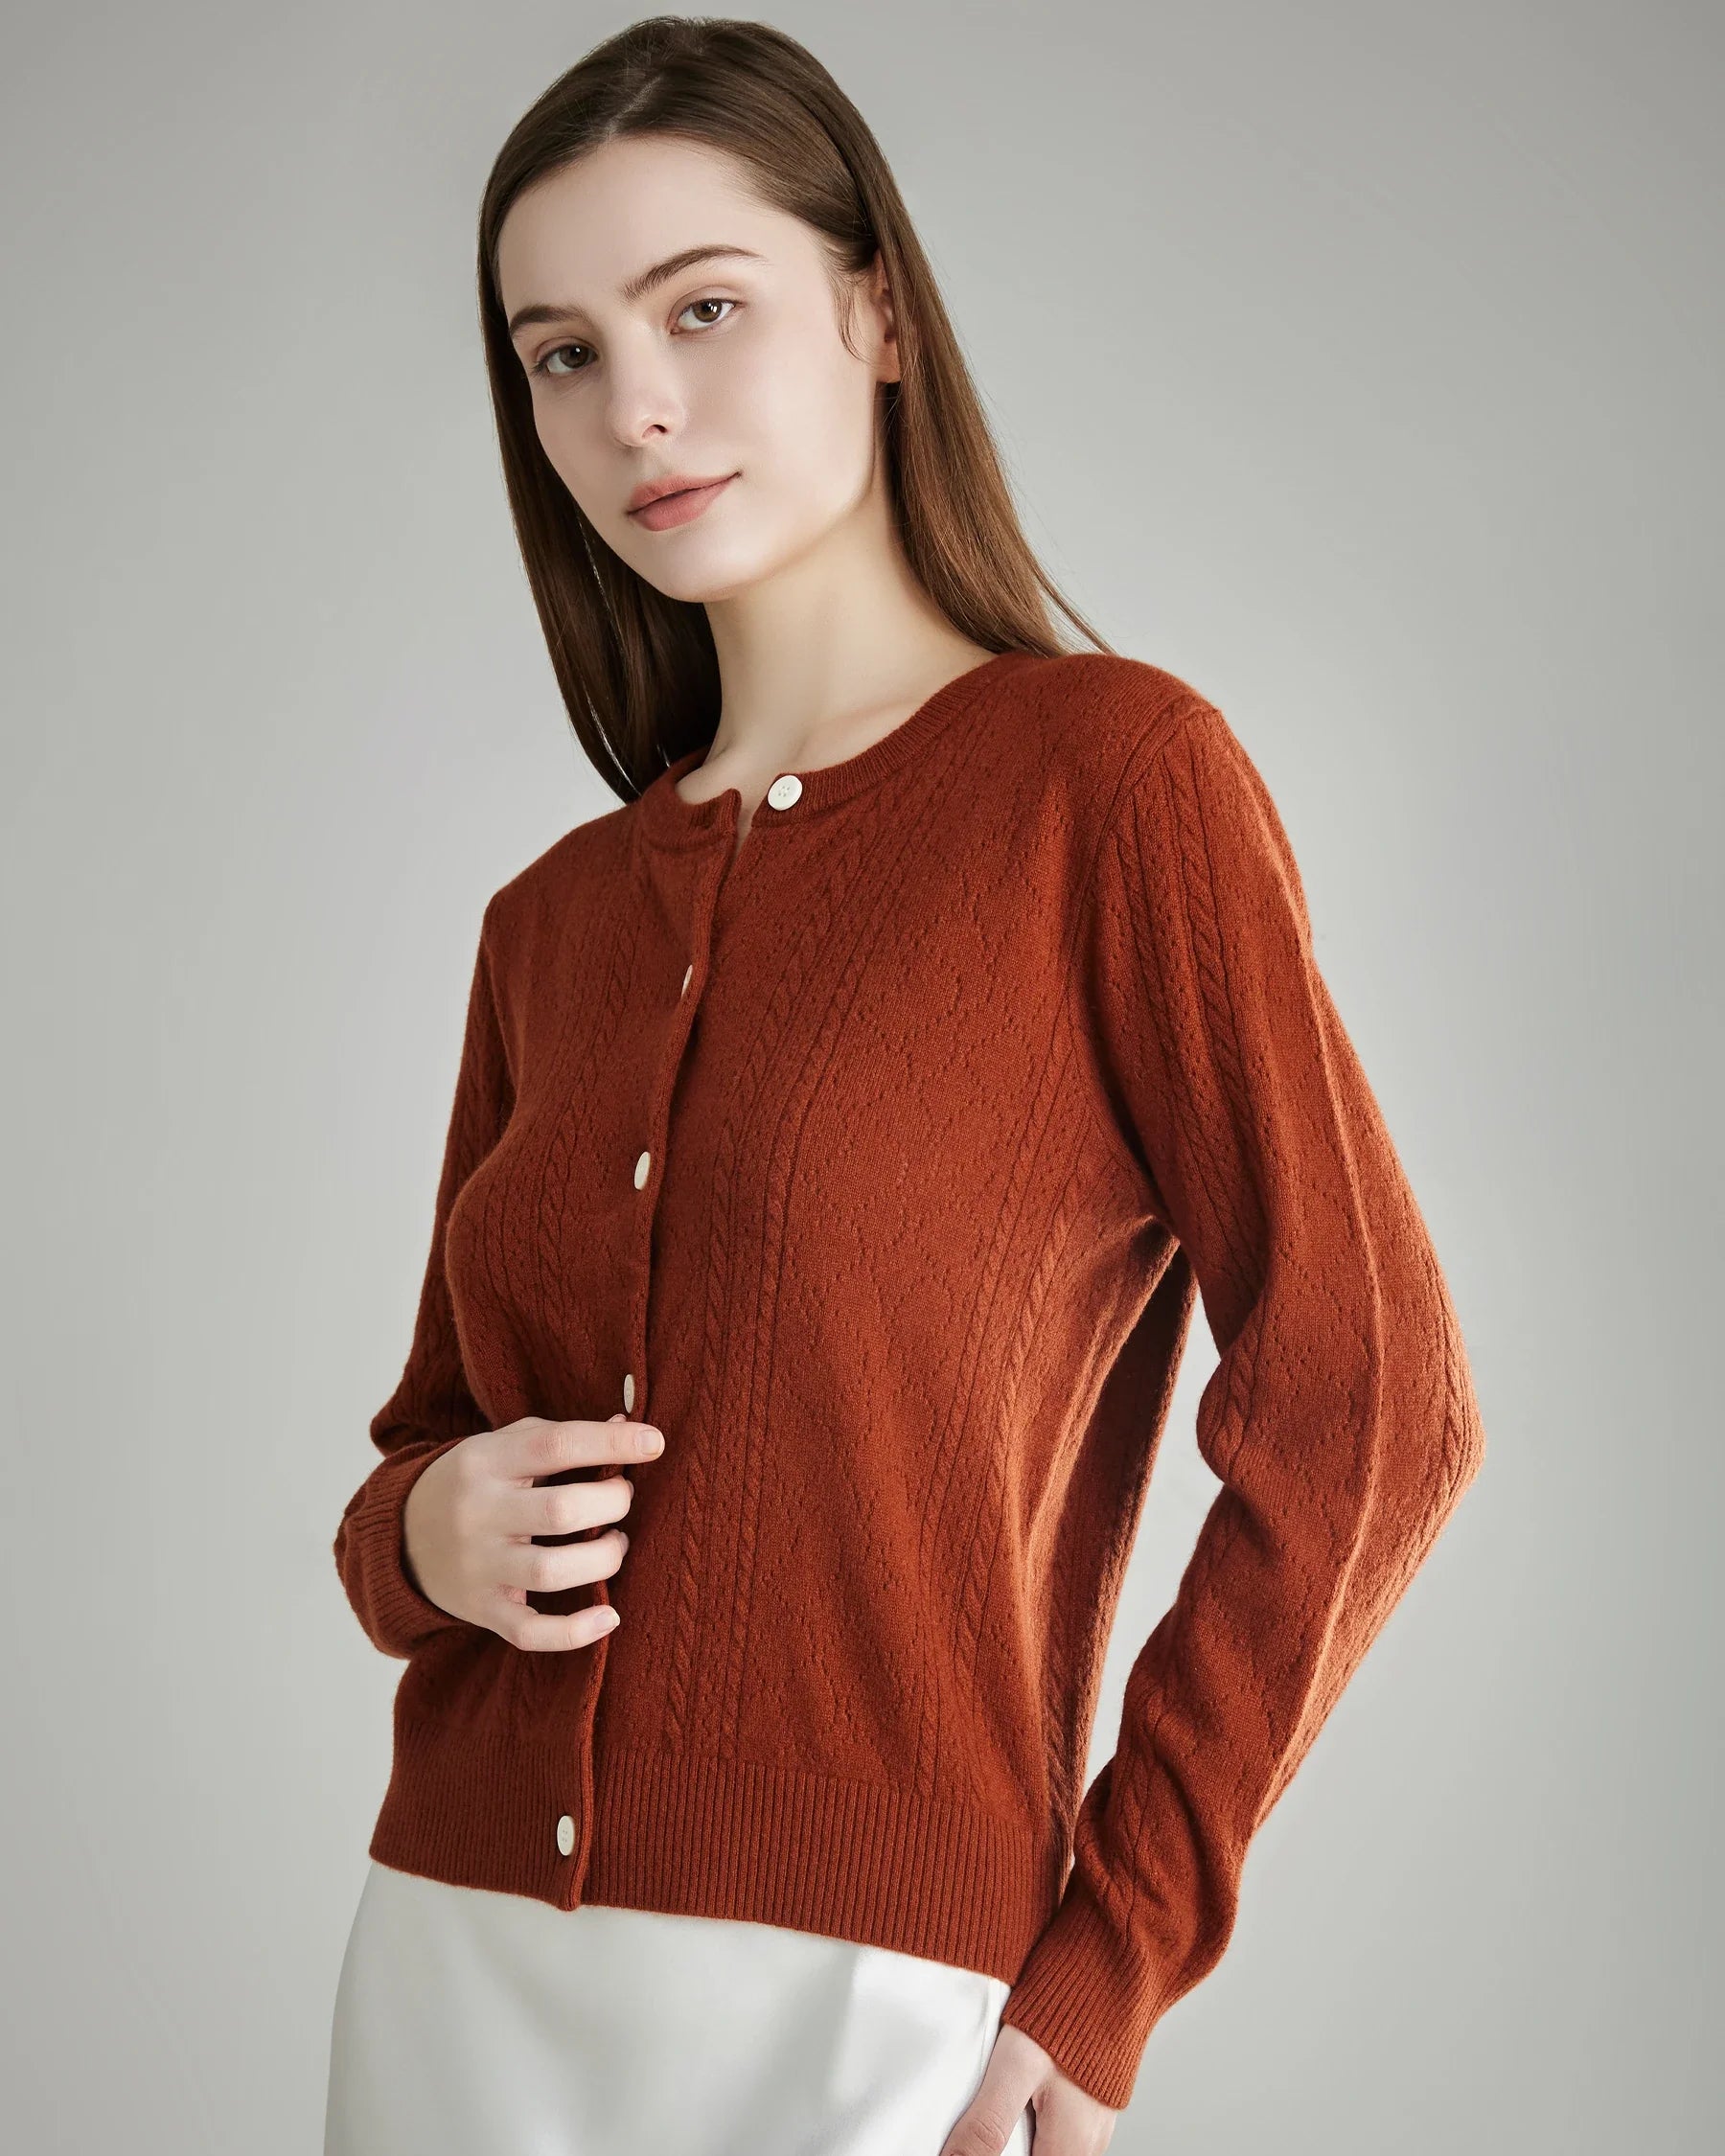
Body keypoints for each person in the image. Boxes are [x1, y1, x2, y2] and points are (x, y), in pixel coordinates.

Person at [324, 19, 1486, 2156]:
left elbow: (1376, 1399)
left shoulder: (1110, 786)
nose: (633, 403)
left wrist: (1121, 1946)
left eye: (702, 308)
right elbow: (423, 1444)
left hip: (863, 2000)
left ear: (878, 314)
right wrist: (416, 1533)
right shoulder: (549, 921)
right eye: (561, 353)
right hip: (452, 1955)